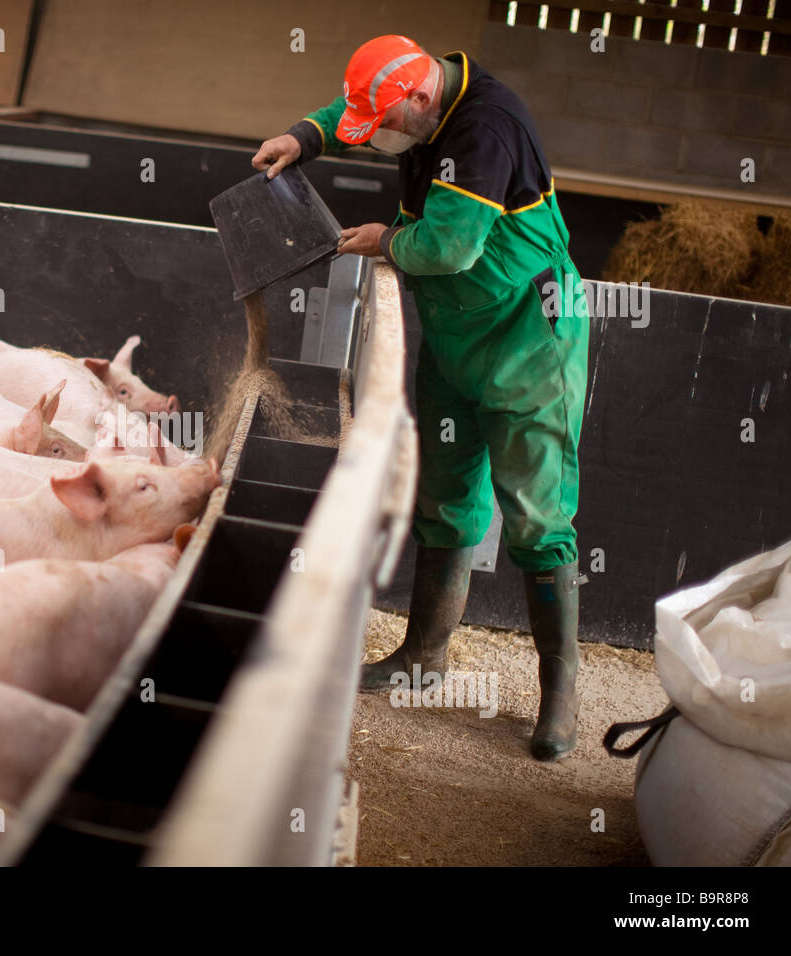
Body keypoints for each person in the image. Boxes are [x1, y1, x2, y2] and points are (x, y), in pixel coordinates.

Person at [252, 35, 590, 760]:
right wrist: (303, 137)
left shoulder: (484, 129)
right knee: (444, 496)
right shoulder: (420, 100)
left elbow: (447, 250)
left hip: (529, 339)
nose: (378, 135)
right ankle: (425, 656)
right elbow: (353, 107)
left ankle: (560, 695)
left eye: (386, 121)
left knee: (536, 515)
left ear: (419, 97)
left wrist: (383, 240)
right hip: (455, 336)